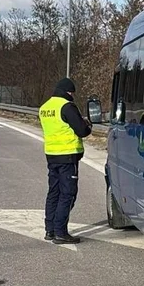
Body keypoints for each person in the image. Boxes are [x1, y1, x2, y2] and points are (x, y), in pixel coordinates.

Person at [38, 78, 92, 244]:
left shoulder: (45, 107)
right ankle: (61, 232)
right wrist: (88, 125)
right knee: (68, 194)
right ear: (68, 92)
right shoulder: (67, 106)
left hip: (51, 155)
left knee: (53, 192)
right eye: (72, 93)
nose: (72, 96)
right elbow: (82, 130)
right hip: (68, 156)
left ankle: (50, 230)